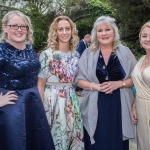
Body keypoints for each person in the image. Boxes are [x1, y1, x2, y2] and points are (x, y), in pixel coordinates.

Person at [75, 16, 137, 150]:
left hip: (119, 105)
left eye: (107, 29)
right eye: (100, 30)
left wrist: (120, 84)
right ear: (95, 34)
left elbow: (136, 78)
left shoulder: (126, 52)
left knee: (116, 142)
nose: (104, 33)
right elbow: (78, 80)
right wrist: (95, 86)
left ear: (114, 32)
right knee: (98, 142)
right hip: (96, 104)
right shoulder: (87, 53)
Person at [0, 10, 55, 150]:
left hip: (33, 102)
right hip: (11, 106)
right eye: (14, 26)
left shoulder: (30, 48)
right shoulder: (1, 49)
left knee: (36, 141)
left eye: (23, 26)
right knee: (15, 142)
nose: (19, 30)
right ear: (5, 27)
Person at [37, 16, 84, 150]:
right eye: (60, 29)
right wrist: (41, 109)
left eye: (67, 29)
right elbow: (40, 85)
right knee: (54, 137)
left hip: (71, 100)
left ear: (72, 31)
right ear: (55, 32)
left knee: (72, 135)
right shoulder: (47, 55)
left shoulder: (76, 55)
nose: (64, 32)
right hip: (51, 100)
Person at [131, 21, 150, 150]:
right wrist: (134, 106)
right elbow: (138, 87)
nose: (147, 39)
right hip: (140, 111)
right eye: (144, 36)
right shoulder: (141, 59)